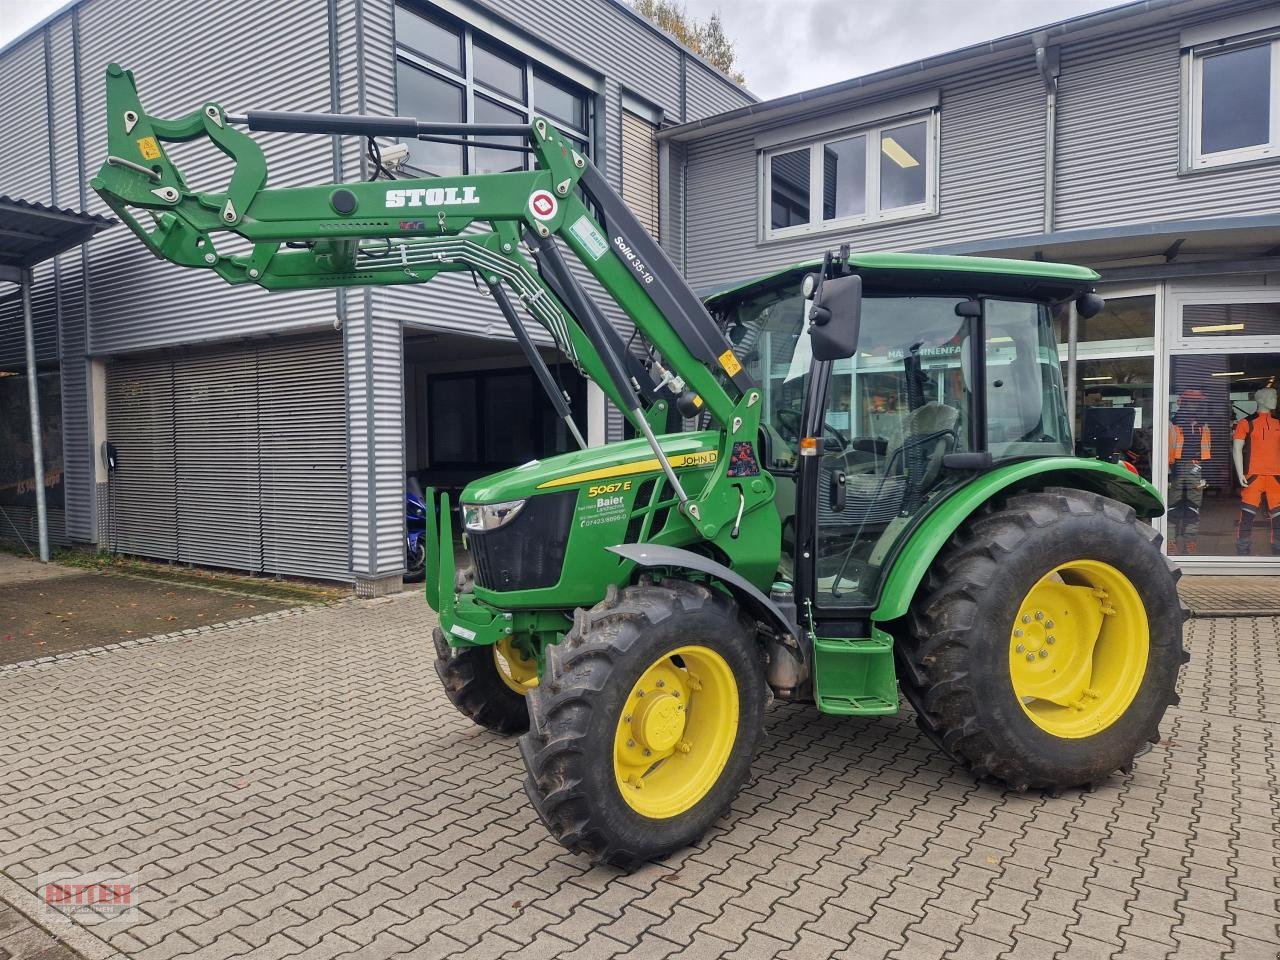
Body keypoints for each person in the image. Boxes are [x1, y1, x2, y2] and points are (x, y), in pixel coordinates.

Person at [1233, 386, 1280, 555]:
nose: (1275, 400)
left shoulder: (1278, 423)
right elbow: (1237, 448)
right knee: (1247, 516)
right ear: (1261, 400)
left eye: (1275, 397)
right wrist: (1240, 473)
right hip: (1253, 476)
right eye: (1272, 397)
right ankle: (1242, 551)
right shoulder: (1246, 423)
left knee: (1279, 517)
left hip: (1276, 477)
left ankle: (1278, 551)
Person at [1167, 389, 1211, 554]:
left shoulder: (1203, 423)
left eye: (1197, 402)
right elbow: (1167, 447)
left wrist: (1206, 471)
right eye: (1192, 401)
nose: (1195, 404)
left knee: (1194, 506)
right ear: (1183, 403)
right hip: (1176, 466)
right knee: (1173, 506)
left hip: (1196, 467)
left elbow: (1207, 449)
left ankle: (1190, 541)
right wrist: (1169, 470)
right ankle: (1171, 540)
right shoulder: (1173, 423)